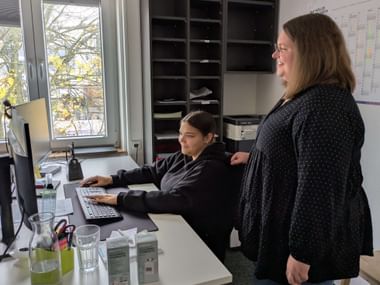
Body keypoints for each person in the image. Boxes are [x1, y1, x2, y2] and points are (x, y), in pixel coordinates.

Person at [231, 13, 373, 285]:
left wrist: (302, 253)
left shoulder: (324, 107)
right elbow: (298, 156)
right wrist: (256, 159)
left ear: (310, 52)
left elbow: (320, 186)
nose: (275, 55)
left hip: (296, 252)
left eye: (282, 48)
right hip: (280, 240)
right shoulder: (302, 96)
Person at [81, 110, 233, 261]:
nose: (181, 140)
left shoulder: (210, 169)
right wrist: (111, 179)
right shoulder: (185, 154)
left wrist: (120, 199)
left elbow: (175, 199)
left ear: (208, 138)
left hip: (198, 241)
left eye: (190, 136)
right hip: (176, 224)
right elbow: (152, 171)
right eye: (181, 133)